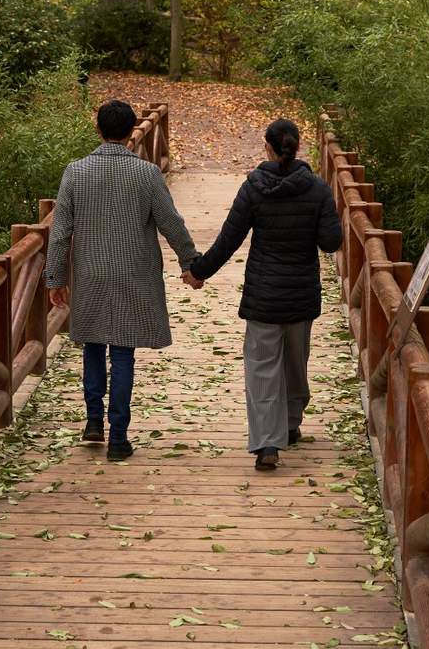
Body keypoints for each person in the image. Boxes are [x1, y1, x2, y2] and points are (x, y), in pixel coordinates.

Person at [45, 100, 201, 461]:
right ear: (131, 132)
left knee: (93, 345)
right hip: (133, 272)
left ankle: (93, 422)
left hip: (90, 272)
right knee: (124, 352)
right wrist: (191, 263)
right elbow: (171, 223)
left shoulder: (76, 171)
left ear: (98, 130)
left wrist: (54, 277)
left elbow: (60, 231)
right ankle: (118, 437)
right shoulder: (147, 174)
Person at [185, 118, 342, 470]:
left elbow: (230, 239)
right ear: (297, 147)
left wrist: (198, 271)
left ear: (267, 148)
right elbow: (331, 242)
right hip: (300, 294)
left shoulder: (254, 187)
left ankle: (268, 444)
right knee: (294, 363)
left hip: (264, 294)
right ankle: (289, 423)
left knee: (263, 369)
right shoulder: (317, 189)